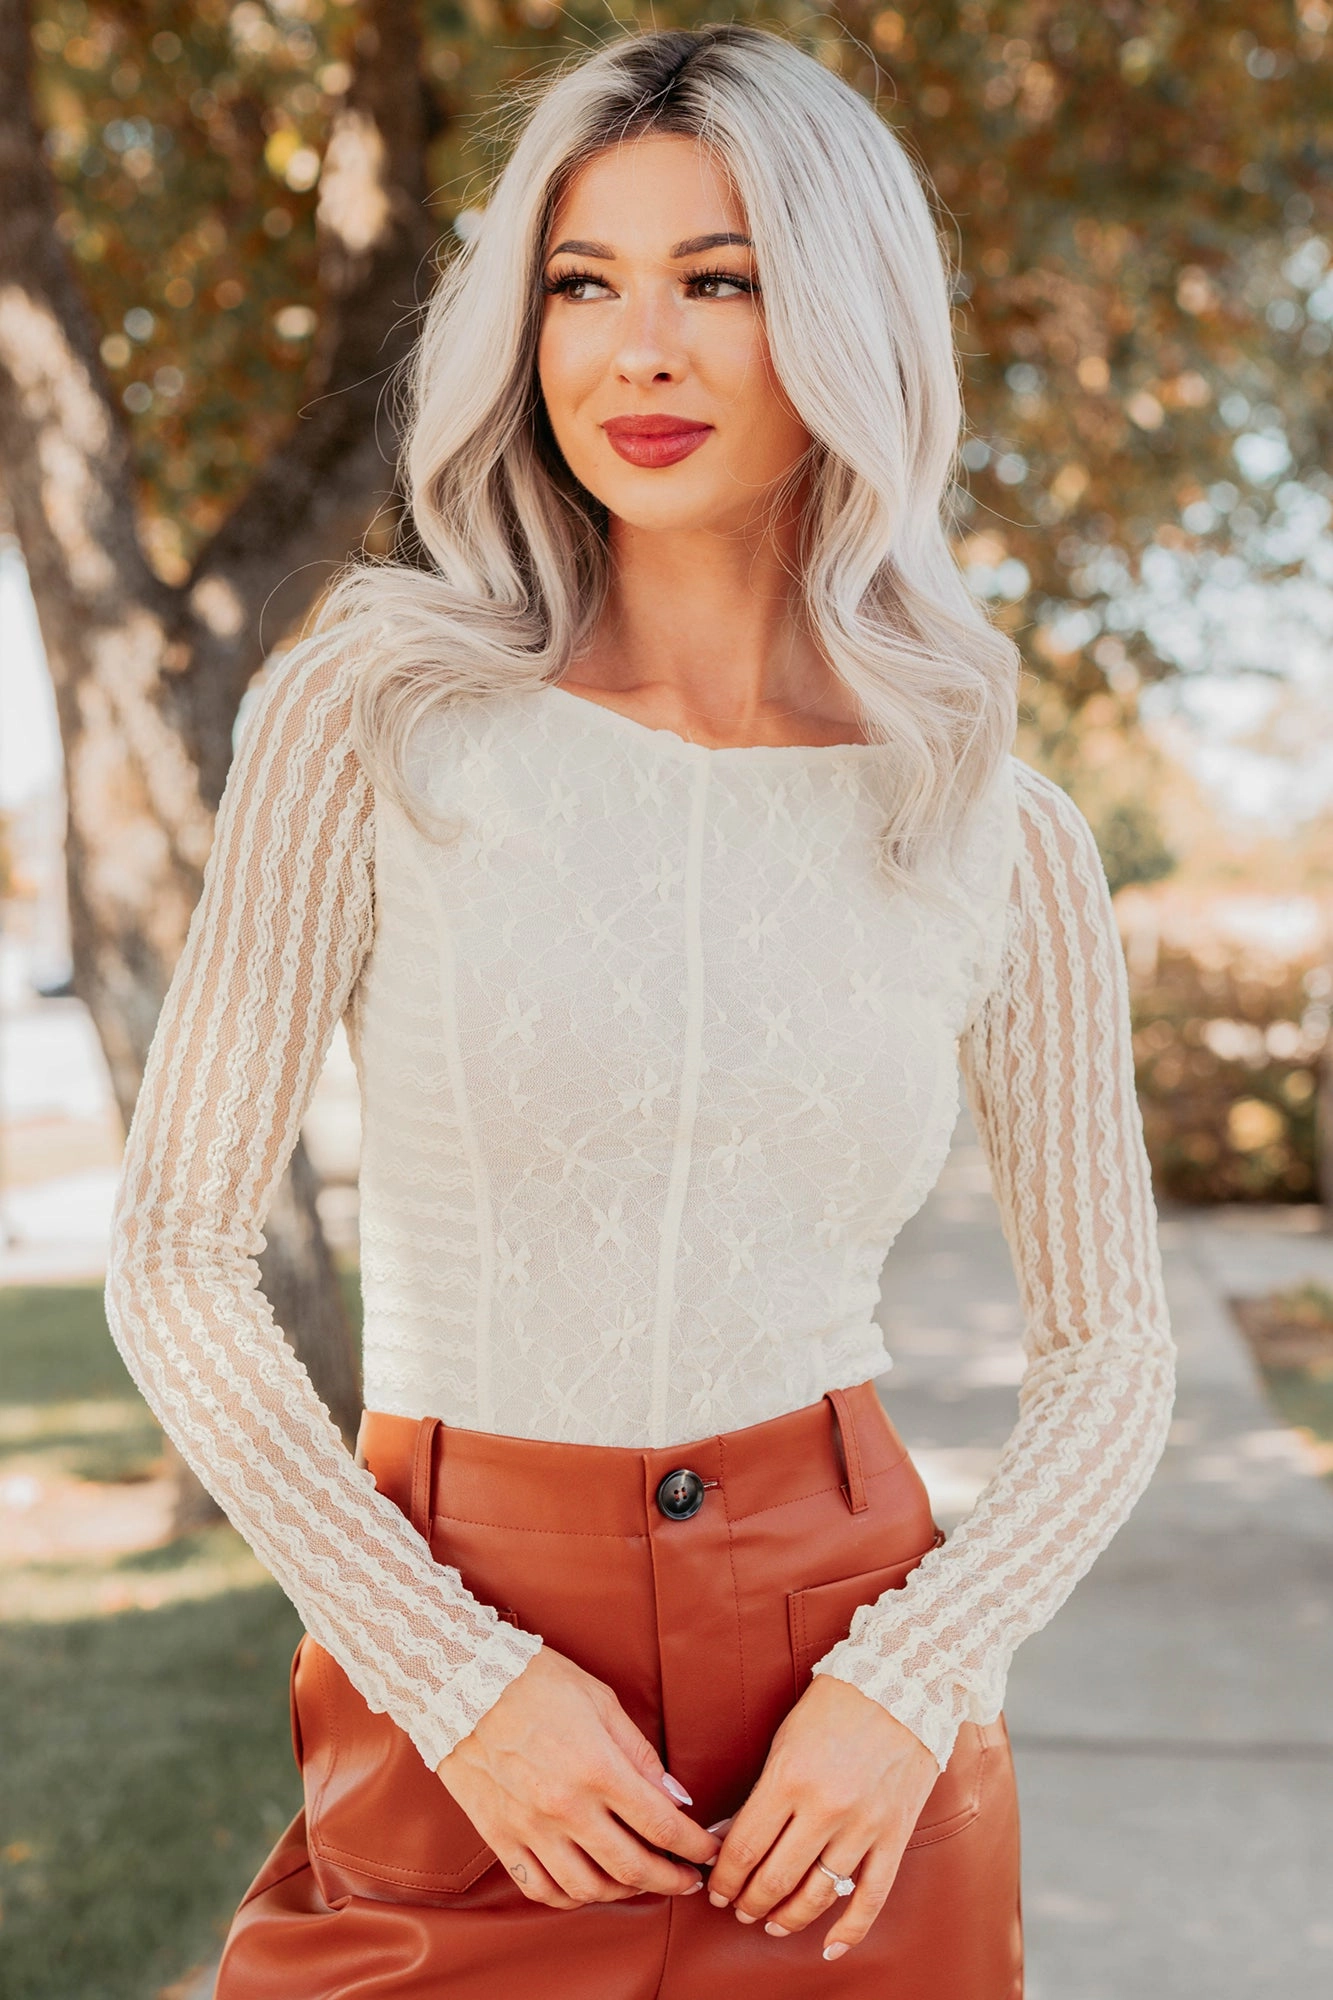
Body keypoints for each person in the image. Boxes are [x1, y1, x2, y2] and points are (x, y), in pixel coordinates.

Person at [103, 25, 1175, 1998]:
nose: (632, 352)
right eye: (580, 287)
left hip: (846, 1744)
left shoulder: (995, 830)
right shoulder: (372, 718)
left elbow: (1113, 1356)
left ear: (848, 324)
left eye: (722, 282)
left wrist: (913, 1681)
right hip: (462, 1673)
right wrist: (460, 1680)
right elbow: (173, 1257)